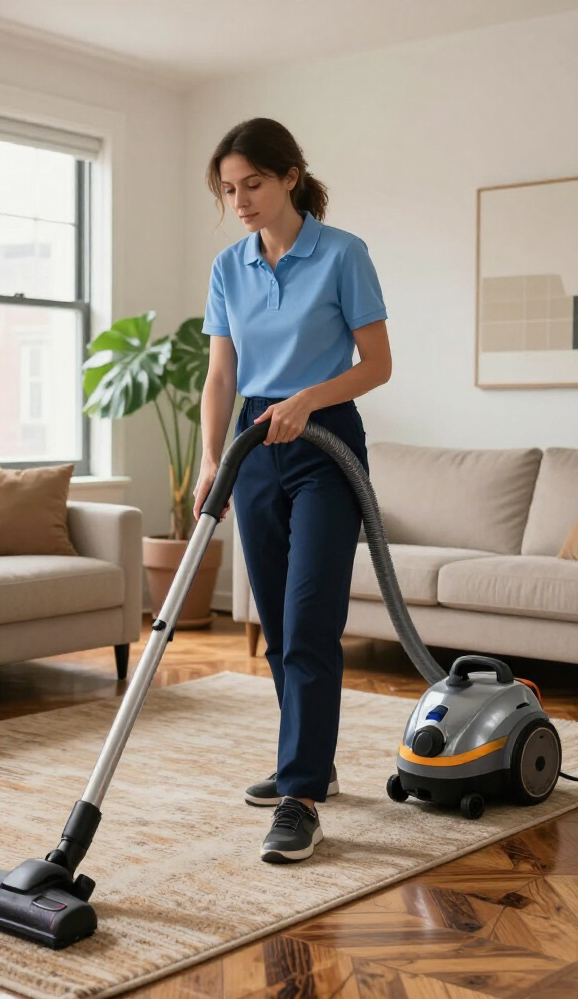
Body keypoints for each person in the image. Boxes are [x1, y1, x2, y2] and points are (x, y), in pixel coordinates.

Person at [192, 118, 393, 863]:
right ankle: (308, 761)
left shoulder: (342, 254)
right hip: (255, 443)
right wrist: (212, 459)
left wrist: (308, 399)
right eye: (228, 190)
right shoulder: (228, 266)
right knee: (277, 624)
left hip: (325, 443)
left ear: (288, 177)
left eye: (251, 184)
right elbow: (220, 373)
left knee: (310, 617)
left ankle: (301, 796)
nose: (239, 200)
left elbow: (377, 364)